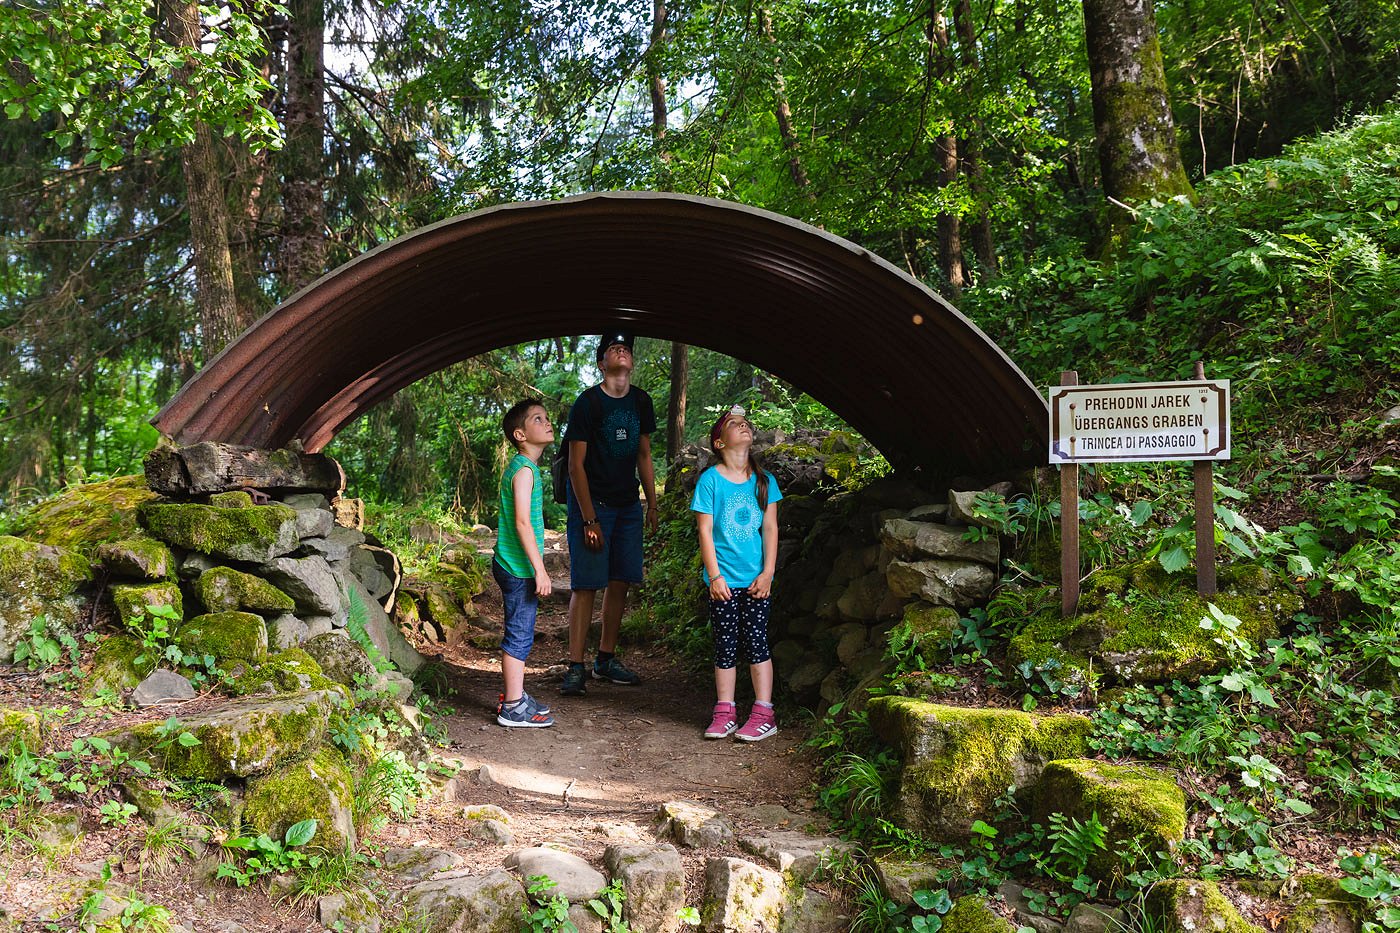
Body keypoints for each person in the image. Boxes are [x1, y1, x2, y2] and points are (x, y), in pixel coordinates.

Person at [560, 331, 659, 696]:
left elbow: (644, 455)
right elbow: (575, 466)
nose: (622, 350)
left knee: (620, 580)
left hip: (628, 505)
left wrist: (652, 502)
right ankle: (575, 666)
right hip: (593, 504)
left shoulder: (640, 401)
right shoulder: (587, 403)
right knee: (587, 584)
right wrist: (589, 519)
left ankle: (605, 658)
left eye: (627, 348)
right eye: (613, 348)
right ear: (602, 363)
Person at [691, 406, 783, 742]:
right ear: (719, 441)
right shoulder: (710, 480)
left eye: (745, 423)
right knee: (725, 645)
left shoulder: (764, 481)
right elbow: (705, 531)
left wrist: (768, 573)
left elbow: (771, 529)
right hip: (724, 582)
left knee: (757, 642)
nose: (742, 426)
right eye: (733, 424)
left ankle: (763, 712)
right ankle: (725, 710)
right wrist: (715, 577)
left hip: (757, 580)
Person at [492, 398, 556, 727]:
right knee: (519, 634)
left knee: (521, 631)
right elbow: (521, 522)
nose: (547, 422)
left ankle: (515, 695)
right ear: (520, 434)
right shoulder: (525, 470)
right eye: (537, 419)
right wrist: (540, 569)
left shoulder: (524, 467)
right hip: (518, 568)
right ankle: (513, 706)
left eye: (547, 417)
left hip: (514, 564)